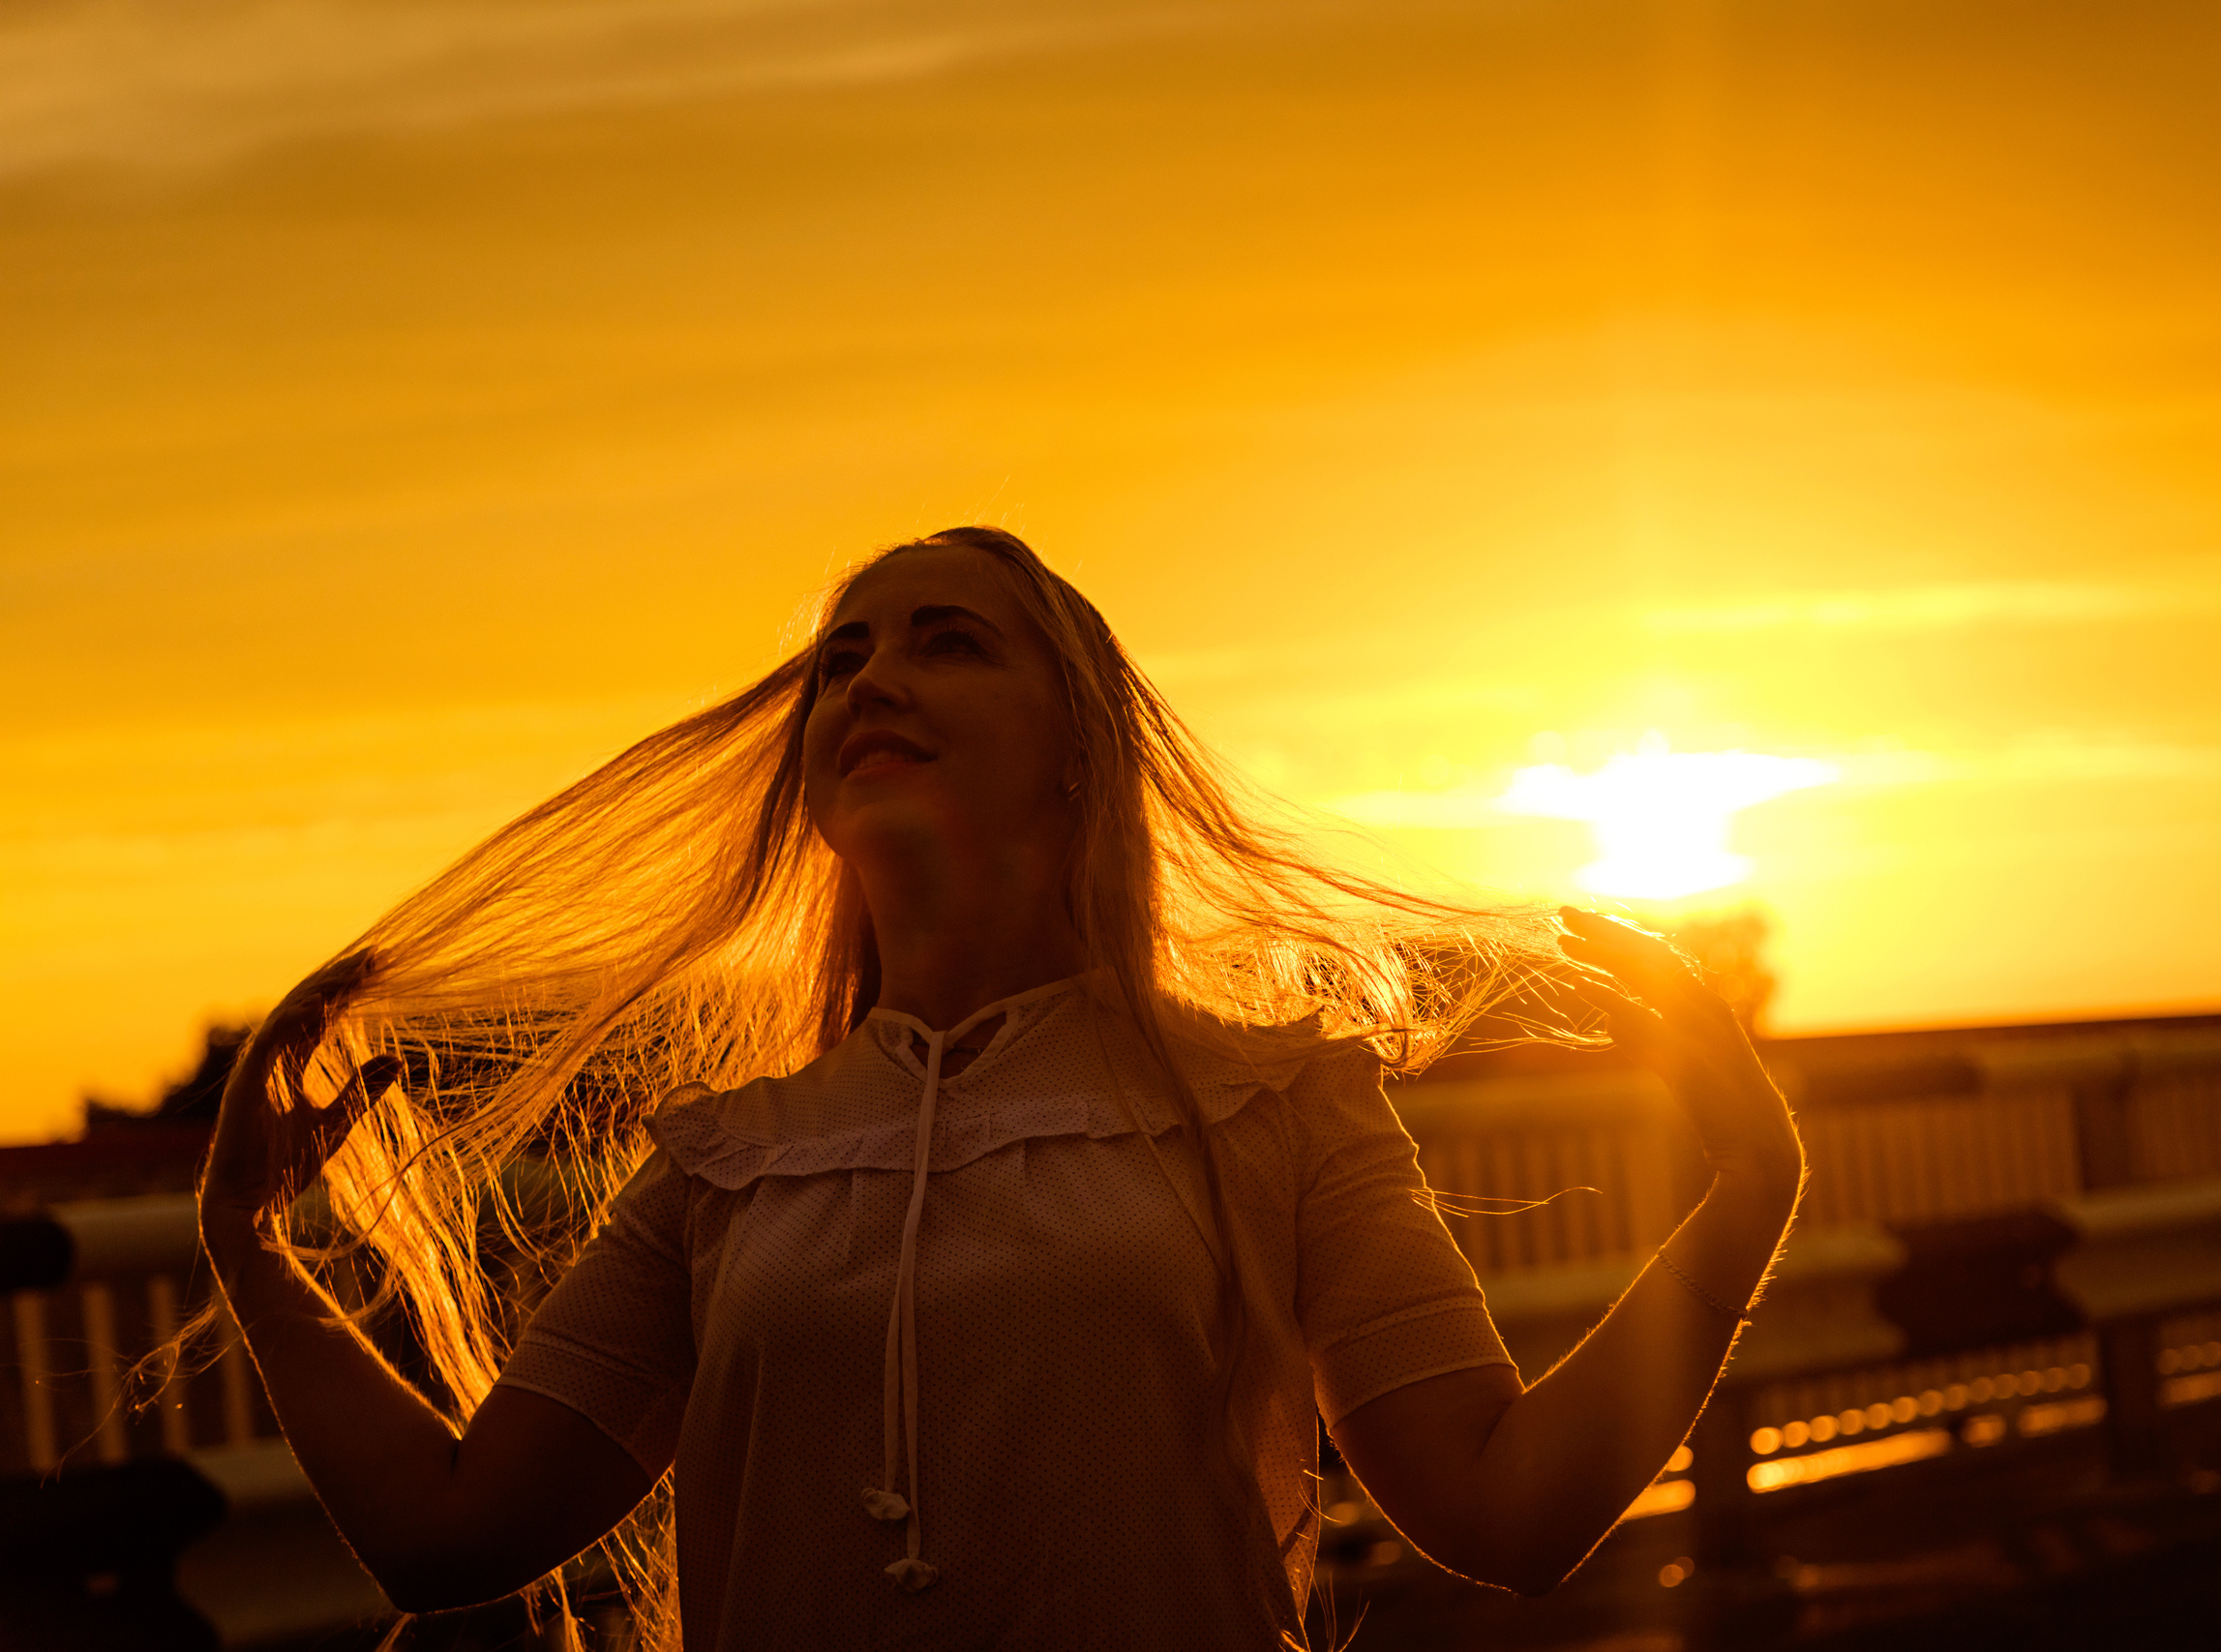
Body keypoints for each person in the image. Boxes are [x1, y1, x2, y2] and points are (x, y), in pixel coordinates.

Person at [198, 527, 1803, 1651]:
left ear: (1079, 756)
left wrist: (1742, 1217)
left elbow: (1503, 1512)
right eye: (845, 659)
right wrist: (253, 1259)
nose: (871, 679)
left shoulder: (1277, 1103)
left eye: (946, 641)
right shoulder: (725, 1163)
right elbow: (453, 1533)